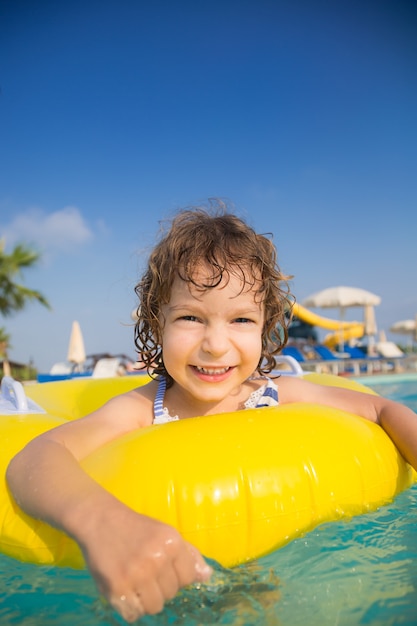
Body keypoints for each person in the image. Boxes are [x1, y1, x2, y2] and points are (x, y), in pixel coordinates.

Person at [6, 205, 417, 623]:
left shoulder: (279, 394)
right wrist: (103, 524)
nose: (216, 345)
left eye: (241, 319)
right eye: (190, 317)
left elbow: (380, 407)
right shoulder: (144, 408)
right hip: (172, 587)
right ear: (156, 323)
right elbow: (35, 458)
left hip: (274, 568)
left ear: (265, 326)